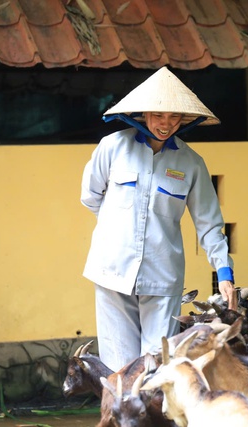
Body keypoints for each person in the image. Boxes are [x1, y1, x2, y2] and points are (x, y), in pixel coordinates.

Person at [80, 67, 237, 372]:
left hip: (162, 279)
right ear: (144, 114)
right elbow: (90, 195)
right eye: (158, 116)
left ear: (184, 120)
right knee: (120, 369)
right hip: (112, 272)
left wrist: (225, 273)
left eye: (174, 118)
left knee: (157, 369)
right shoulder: (112, 148)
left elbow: (209, 225)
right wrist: (116, 231)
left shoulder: (191, 164)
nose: (166, 125)